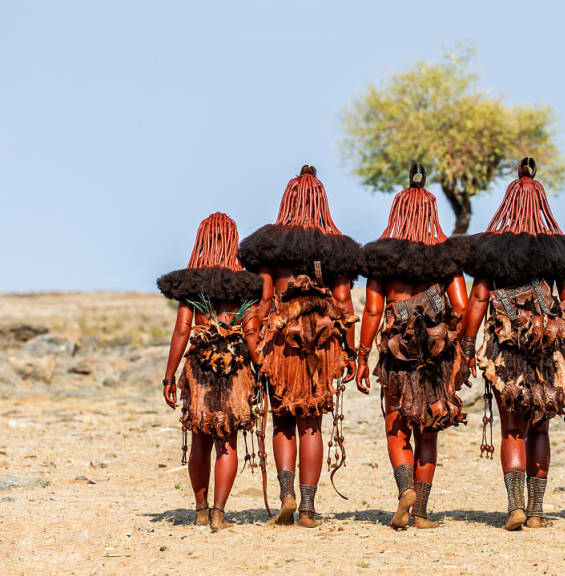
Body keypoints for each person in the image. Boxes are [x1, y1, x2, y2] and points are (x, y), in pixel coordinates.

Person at [460, 158, 565, 530]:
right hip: (549, 353)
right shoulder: (558, 251)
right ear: (541, 204)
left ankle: (515, 506)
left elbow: (477, 301)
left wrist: (468, 347)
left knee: (512, 429)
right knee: (540, 427)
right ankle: (536, 512)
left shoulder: (489, 251)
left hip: (504, 351)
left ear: (507, 203)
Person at [239, 165, 360, 528]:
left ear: (288, 200)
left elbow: (261, 303)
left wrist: (255, 348)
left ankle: (286, 495)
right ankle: (307, 508)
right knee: (312, 424)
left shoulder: (269, 247)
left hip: (281, 343)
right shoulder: (337, 249)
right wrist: (352, 353)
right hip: (321, 347)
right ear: (322, 201)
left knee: (283, 421)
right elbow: (345, 305)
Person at [357, 164, 470, 530]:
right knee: (429, 428)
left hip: (395, 349)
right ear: (432, 212)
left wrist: (361, 357)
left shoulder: (381, 257)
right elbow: (464, 307)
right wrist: (462, 353)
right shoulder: (446, 256)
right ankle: (420, 511)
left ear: (397, 212)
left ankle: (404, 488)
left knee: (396, 425)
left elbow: (373, 310)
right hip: (437, 351)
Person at [158, 212, 264, 531]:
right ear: (233, 242)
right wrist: (261, 373)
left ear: (201, 241)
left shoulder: (192, 284)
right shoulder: (246, 285)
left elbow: (181, 331)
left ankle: (201, 510)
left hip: (198, 368)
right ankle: (220, 513)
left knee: (200, 440)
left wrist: (168, 377)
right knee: (226, 440)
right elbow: (252, 334)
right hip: (235, 367)